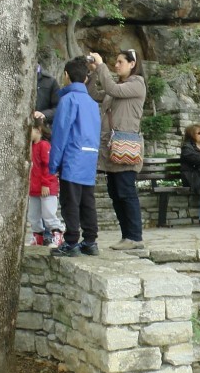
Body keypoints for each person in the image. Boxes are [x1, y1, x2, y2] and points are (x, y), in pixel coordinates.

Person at [88, 49, 147, 250]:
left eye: (120, 62)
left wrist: (102, 65)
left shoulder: (137, 83)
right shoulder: (119, 86)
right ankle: (126, 236)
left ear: (132, 64)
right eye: (115, 62)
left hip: (126, 147)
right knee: (115, 192)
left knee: (126, 192)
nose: (117, 65)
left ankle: (135, 237)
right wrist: (95, 71)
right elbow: (94, 93)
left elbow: (111, 89)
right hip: (113, 148)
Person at [49, 56, 102, 257]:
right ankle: (90, 241)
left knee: (70, 201)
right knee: (87, 200)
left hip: (72, 157)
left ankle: (71, 241)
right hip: (89, 157)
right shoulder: (91, 102)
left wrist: (53, 164)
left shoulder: (68, 100)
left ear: (66, 76)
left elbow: (61, 133)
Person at [28, 119, 64, 247]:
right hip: (34, 187)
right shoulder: (32, 147)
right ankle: (38, 237)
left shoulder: (44, 145)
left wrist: (45, 183)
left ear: (38, 130)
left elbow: (48, 166)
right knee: (33, 215)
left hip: (46, 187)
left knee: (48, 214)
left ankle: (58, 235)